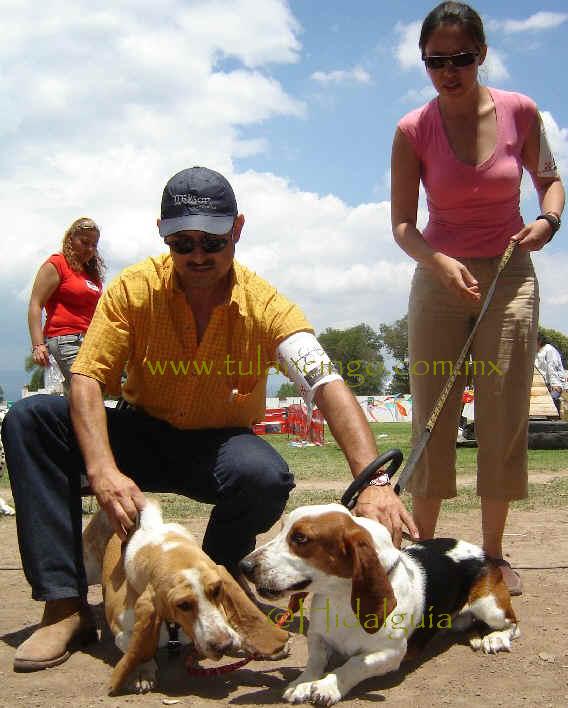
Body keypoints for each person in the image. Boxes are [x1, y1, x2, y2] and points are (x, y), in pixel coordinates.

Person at [2, 166, 418, 673]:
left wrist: (374, 480)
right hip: (140, 430)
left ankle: (219, 586)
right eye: (182, 242)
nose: (197, 254)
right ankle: (64, 607)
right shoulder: (133, 291)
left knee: (263, 474)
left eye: (213, 240)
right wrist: (104, 469)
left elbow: (325, 382)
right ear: (162, 234)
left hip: (218, 445)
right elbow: (86, 378)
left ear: (237, 229)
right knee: (30, 419)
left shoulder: (266, 305)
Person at [390, 1, 565, 596]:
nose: (449, 71)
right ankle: (420, 555)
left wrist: (548, 221)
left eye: (461, 58)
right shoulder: (413, 129)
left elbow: (550, 180)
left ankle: (491, 555)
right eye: (435, 61)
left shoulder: (522, 112)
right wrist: (437, 262)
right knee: (431, 414)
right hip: (440, 278)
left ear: (482, 54)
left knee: (503, 411)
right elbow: (402, 225)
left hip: (511, 275)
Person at [28, 217, 105, 394]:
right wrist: (38, 345)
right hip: (64, 338)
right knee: (87, 391)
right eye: (85, 242)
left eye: (94, 245)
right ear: (70, 239)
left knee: (85, 392)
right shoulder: (57, 264)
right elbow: (35, 303)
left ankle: (67, 420)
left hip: (88, 340)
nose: (90, 249)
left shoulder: (91, 274)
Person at [535, 333, 566, 416]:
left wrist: (555, 385)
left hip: (554, 384)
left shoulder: (549, 350)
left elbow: (552, 368)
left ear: (539, 341)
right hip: (543, 385)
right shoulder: (536, 353)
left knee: (551, 400)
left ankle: (555, 419)